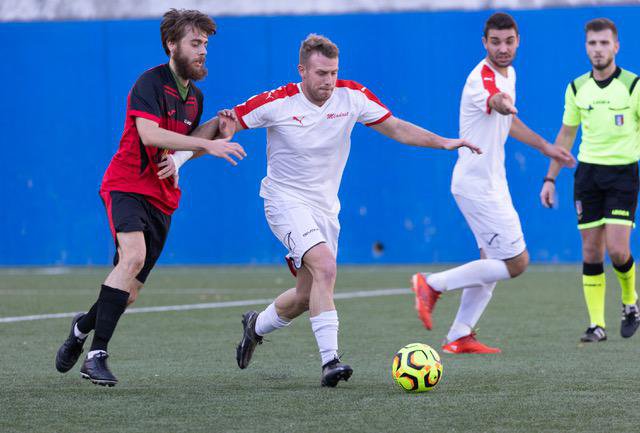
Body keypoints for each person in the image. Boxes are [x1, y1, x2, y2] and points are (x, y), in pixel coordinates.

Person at [172, 33, 480, 386]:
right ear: (302, 70)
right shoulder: (278, 102)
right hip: (284, 200)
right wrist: (180, 159)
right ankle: (330, 362)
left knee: (306, 296)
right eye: (320, 73)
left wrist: (444, 142)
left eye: (333, 72)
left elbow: (396, 127)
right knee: (325, 267)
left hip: (325, 209)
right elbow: (222, 122)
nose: (328, 81)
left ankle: (255, 326)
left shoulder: (353, 96)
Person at [54, 9, 245, 386]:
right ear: (172, 45)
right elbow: (150, 135)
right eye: (195, 43)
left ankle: (81, 328)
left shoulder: (196, 98)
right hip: (127, 184)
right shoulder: (150, 82)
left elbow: (182, 147)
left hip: (161, 198)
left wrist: (218, 133)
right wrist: (206, 143)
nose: (203, 50)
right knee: (133, 257)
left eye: (205, 43)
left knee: (128, 293)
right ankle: (96, 355)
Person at [411, 12, 575, 354]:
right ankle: (432, 284)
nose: (502, 48)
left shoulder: (509, 72)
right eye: (495, 42)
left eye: (508, 41)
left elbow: (508, 122)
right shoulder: (481, 81)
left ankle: (459, 335)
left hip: (490, 181)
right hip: (477, 186)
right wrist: (502, 103)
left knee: (490, 258)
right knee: (516, 263)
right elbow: (496, 103)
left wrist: (546, 146)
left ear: (518, 41)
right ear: (484, 43)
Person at [540, 18, 640, 343]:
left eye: (604, 43)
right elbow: (567, 134)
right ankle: (597, 325)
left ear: (616, 46)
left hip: (623, 173)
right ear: (586, 47)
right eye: (592, 44)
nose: (598, 49)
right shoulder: (576, 87)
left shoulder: (633, 86)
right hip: (587, 175)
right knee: (591, 251)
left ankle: (630, 302)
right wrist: (550, 178)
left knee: (617, 249)